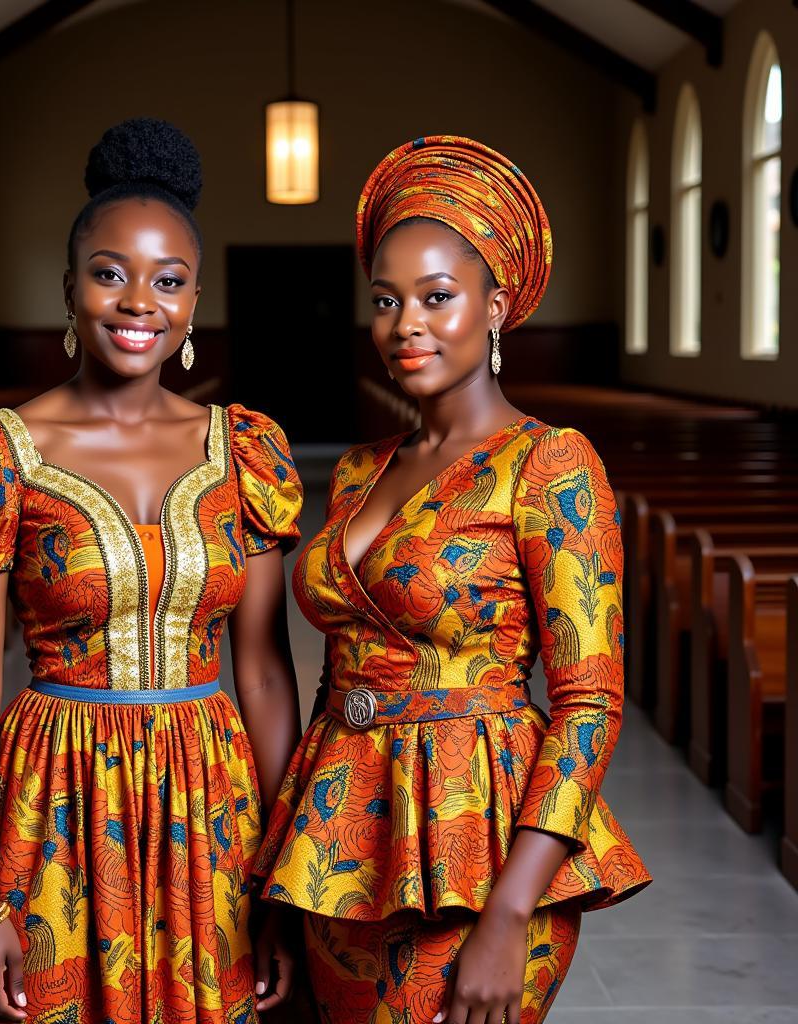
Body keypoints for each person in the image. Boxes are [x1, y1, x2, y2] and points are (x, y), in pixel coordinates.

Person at [254, 135, 651, 1024]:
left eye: (437, 298)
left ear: (496, 305)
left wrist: (512, 914)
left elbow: (590, 702)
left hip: (475, 848)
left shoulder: (550, 463)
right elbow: (336, 674)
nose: (407, 325)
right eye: (387, 301)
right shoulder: (360, 468)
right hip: (341, 840)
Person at [0, 118, 302, 1024]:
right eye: (110, 274)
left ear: (196, 299)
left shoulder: (244, 451)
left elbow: (264, 674)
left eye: (168, 281)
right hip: (54, 799)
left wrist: (291, 882)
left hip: (212, 802)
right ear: (70, 288)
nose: (140, 303)